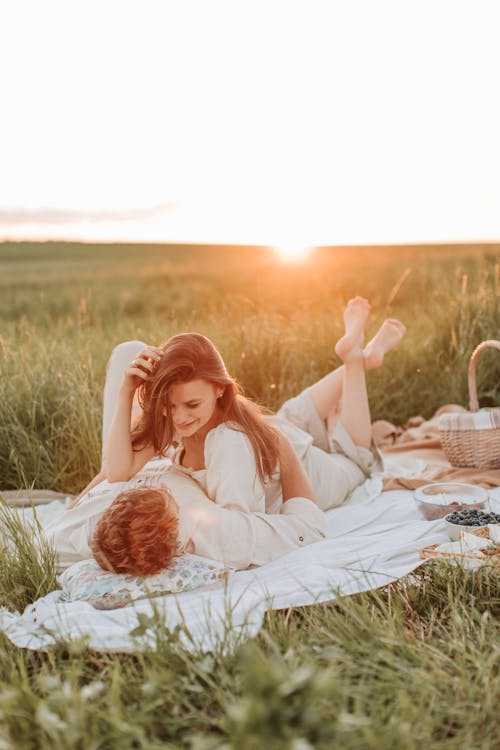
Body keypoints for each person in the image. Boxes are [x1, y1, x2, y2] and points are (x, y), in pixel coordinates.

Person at [97, 297, 403, 514]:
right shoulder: (181, 414)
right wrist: (127, 391)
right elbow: (117, 471)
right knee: (293, 414)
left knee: (356, 461)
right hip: (278, 428)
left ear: (220, 388)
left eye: (192, 404)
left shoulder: (232, 439)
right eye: (169, 405)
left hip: (304, 468)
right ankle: (364, 358)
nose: (179, 417)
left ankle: (354, 361)